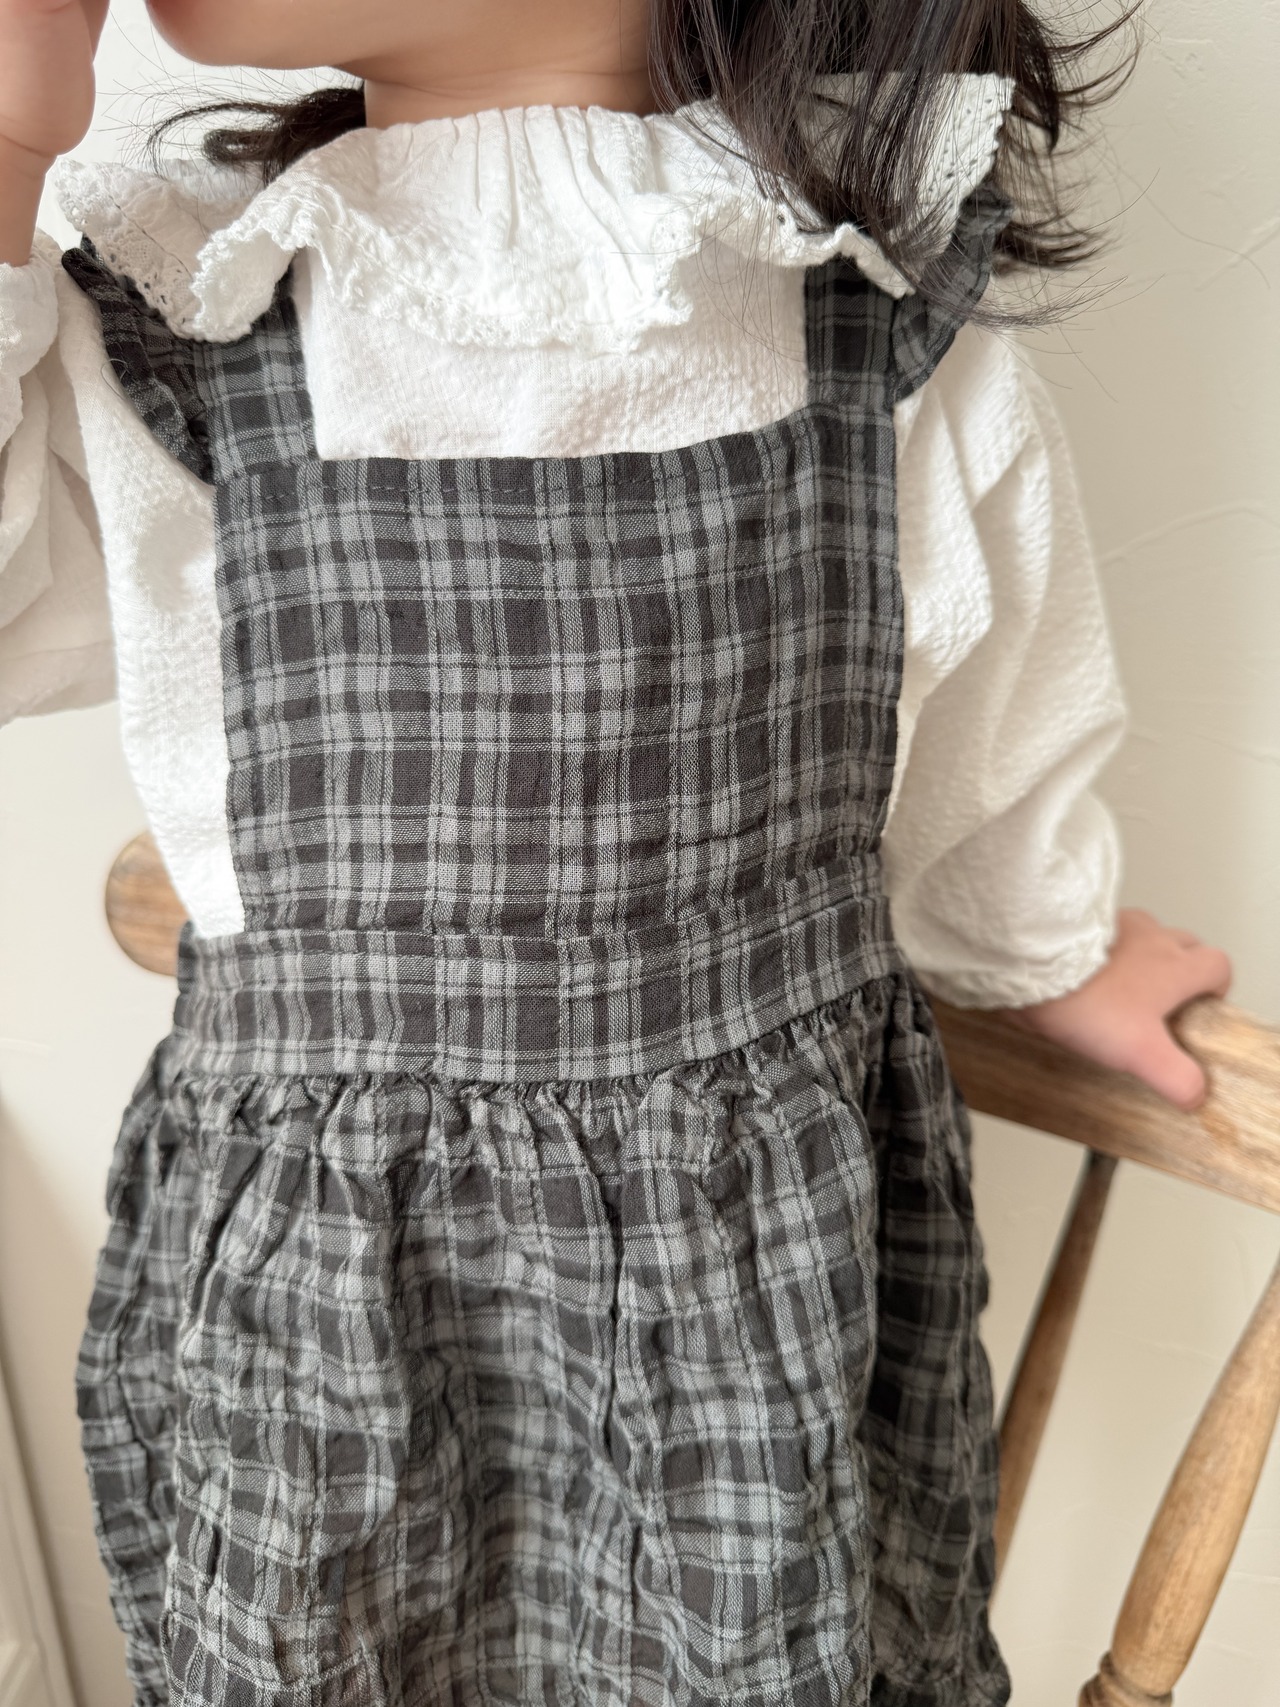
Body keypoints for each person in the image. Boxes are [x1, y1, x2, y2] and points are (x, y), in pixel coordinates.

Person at [0, 1, 1233, 1703]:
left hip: (754, 1295)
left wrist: (1039, 942)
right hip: (332, 1322)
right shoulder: (194, 311)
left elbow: (989, 680)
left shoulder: (856, 296)